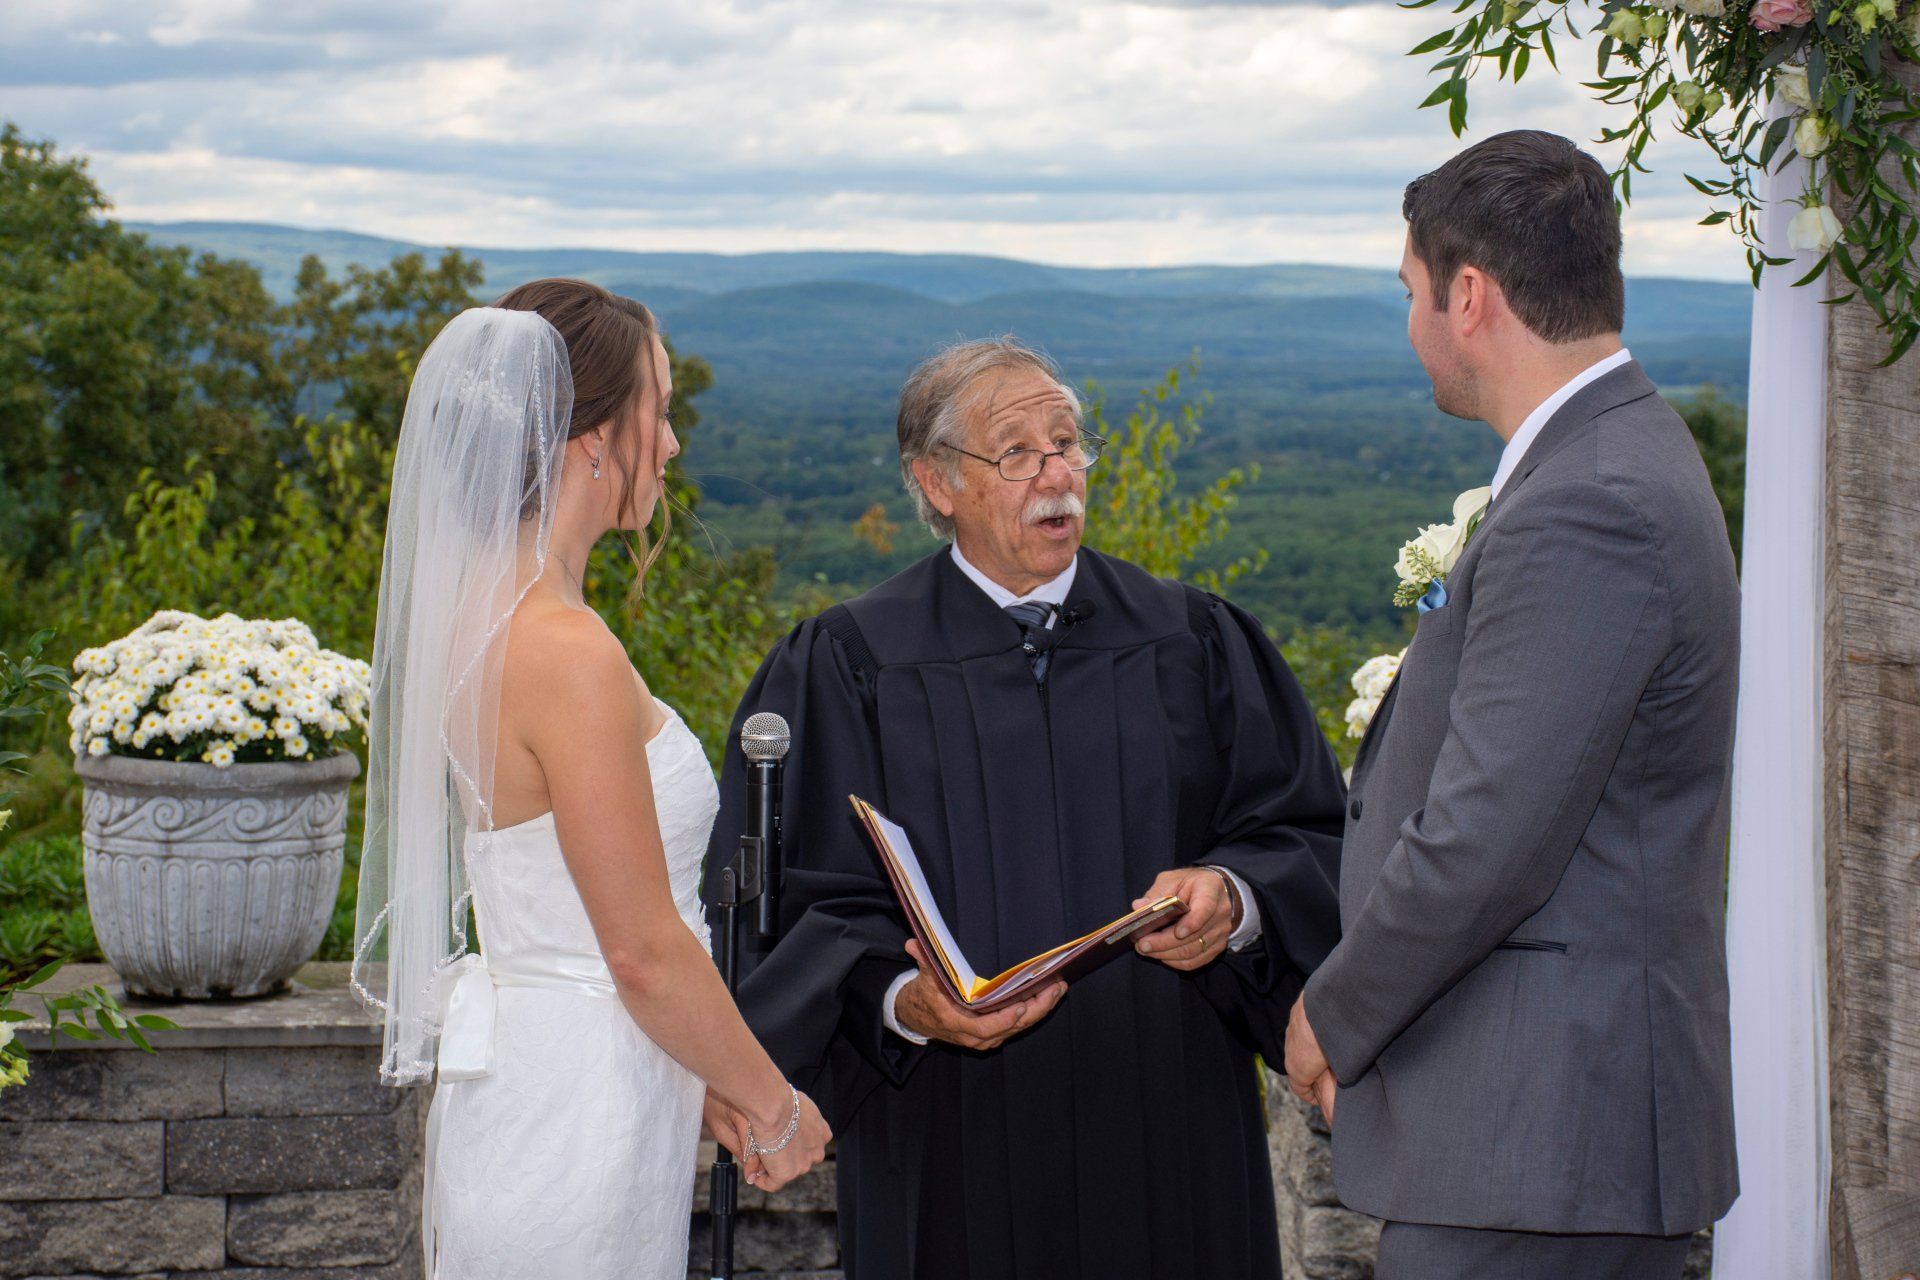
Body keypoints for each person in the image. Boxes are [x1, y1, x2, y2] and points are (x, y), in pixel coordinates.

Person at [706, 337, 1345, 1280]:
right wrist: (905, 1003)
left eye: (1069, 442)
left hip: (1168, 1120)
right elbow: (803, 907)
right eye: (1017, 452)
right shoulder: (847, 665)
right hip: (947, 1138)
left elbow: (1304, 830)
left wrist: (1234, 898)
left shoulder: (1192, 639)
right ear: (936, 484)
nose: (1057, 474)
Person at [1283, 130, 1741, 1280]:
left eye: (1411, 292)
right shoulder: (1615, 455)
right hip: (1544, 1140)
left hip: (1540, 1137)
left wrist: (1335, 1012)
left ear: (1470, 295)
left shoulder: (1590, 501)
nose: (1409, 325)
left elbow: (1488, 837)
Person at [353, 280, 828, 1279]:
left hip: (547, 1071)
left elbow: (562, 909)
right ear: (595, 436)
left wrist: (700, 1072)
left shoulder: (479, 618)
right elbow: (642, 947)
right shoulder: (567, 648)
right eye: (660, 407)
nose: (673, 442)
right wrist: (772, 1101)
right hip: (580, 1108)